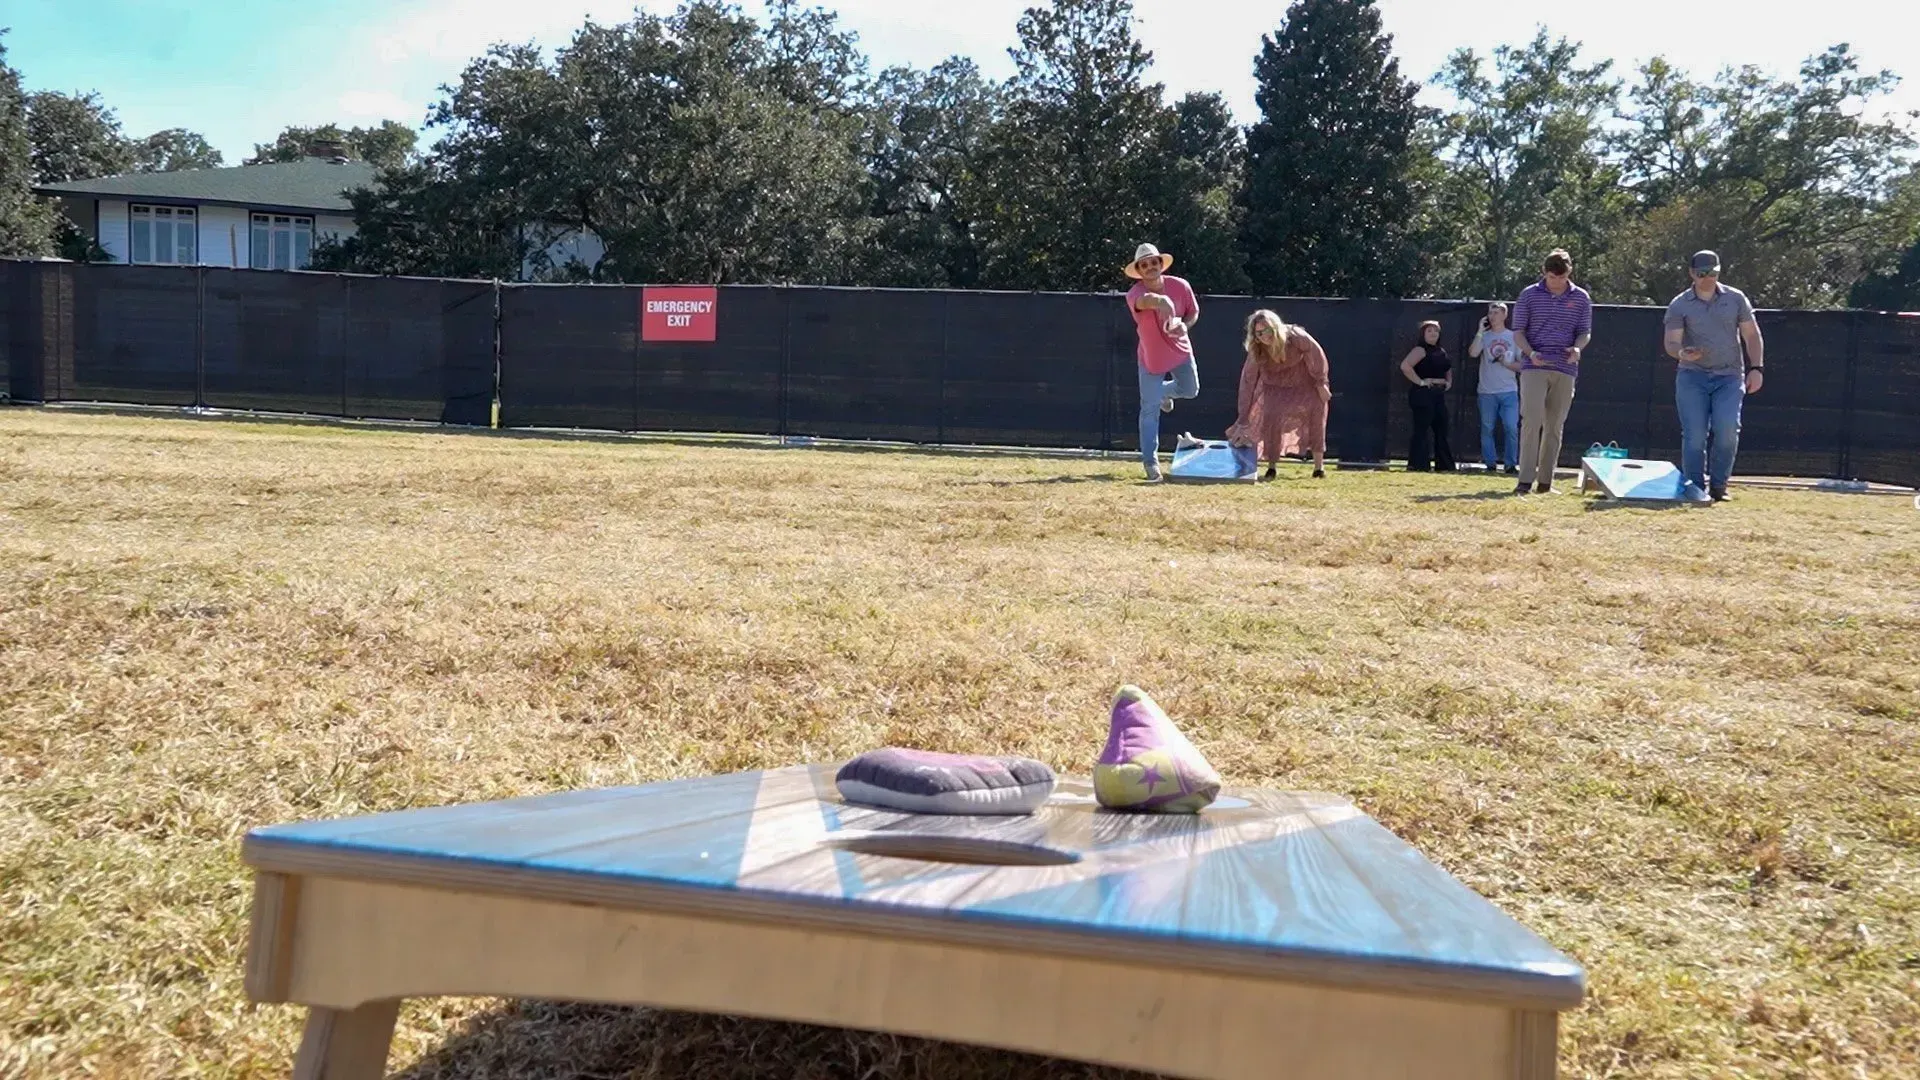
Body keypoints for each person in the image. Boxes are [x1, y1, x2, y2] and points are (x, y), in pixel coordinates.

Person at [1664, 250, 1764, 502]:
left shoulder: (1735, 298)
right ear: (1692, 274)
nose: (1708, 278)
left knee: (1728, 428)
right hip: (1692, 376)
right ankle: (1695, 488)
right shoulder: (1680, 304)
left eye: (1713, 273)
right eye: (1702, 273)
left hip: (1729, 376)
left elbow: (1751, 335)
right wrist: (1683, 353)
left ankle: (1719, 486)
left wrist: (1756, 368)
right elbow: (1671, 343)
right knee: (1695, 434)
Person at [1510, 249, 1593, 494]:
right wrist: (1531, 353)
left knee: (1555, 425)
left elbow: (1584, 331)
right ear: (1544, 273)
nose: (1556, 281)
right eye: (1552, 276)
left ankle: (1545, 483)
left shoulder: (1581, 298)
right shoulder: (1528, 295)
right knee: (1531, 420)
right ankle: (1524, 480)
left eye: (1561, 276)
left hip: (1565, 367)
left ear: (1569, 273)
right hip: (1534, 364)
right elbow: (1518, 332)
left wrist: (1578, 348)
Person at [1123, 243, 1200, 481]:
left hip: (1181, 351)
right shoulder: (1134, 293)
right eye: (1144, 265)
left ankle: (1163, 394)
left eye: (1153, 262)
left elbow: (1193, 312)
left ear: (1160, 264)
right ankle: (1150, 463)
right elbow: (1144, 301)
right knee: (1149, 410)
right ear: (1139, 270)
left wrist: (1183, 327)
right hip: (1151, 359)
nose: (1150, 267)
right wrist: (1161, 301)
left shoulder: (1181, 285)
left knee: (1191, 390)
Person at [1225, 309, 1331, 479]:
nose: (1264, 336)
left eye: (1266, 329)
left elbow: (1316, 354)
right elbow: (1248, 381)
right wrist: (1243, 417)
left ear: (1275, 326)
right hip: (1275, 386)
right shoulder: (1257, 350)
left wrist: (1321, 383)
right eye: (1258, 333)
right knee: (1271, 416)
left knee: (1316, 411)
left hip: (1304, 383)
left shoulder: (1296, 336)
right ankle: (1272, 466)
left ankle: (1319, 467)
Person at [1467, 302, 1521, 474]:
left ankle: (1510, 464)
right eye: (1491, 313)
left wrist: (1507, 364)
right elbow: (1473, 353)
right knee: (1487, 428)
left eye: (1497, 313)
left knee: (1511, 427)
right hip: (1486, 391)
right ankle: (1490, 464)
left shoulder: (1514, 337)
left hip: (1509, 391)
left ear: (1505, 315)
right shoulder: (1485, 336)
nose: (1493, 316)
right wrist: (1480, 332)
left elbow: (1523, 365)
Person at [1398, 320, 1454, 472]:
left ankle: (1444, 466)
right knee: (1421, 430)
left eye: (1436, 331)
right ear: (1423, 334)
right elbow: (1405, 366)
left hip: (1438, 394)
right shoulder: (1420, 350)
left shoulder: (1441, 351)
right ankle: (1418, 465)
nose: (1433, 333)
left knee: (1441, 429)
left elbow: (1447, 368)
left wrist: (1448, 382)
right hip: (1422, 395)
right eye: (1429, 331)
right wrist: (1421, 382)